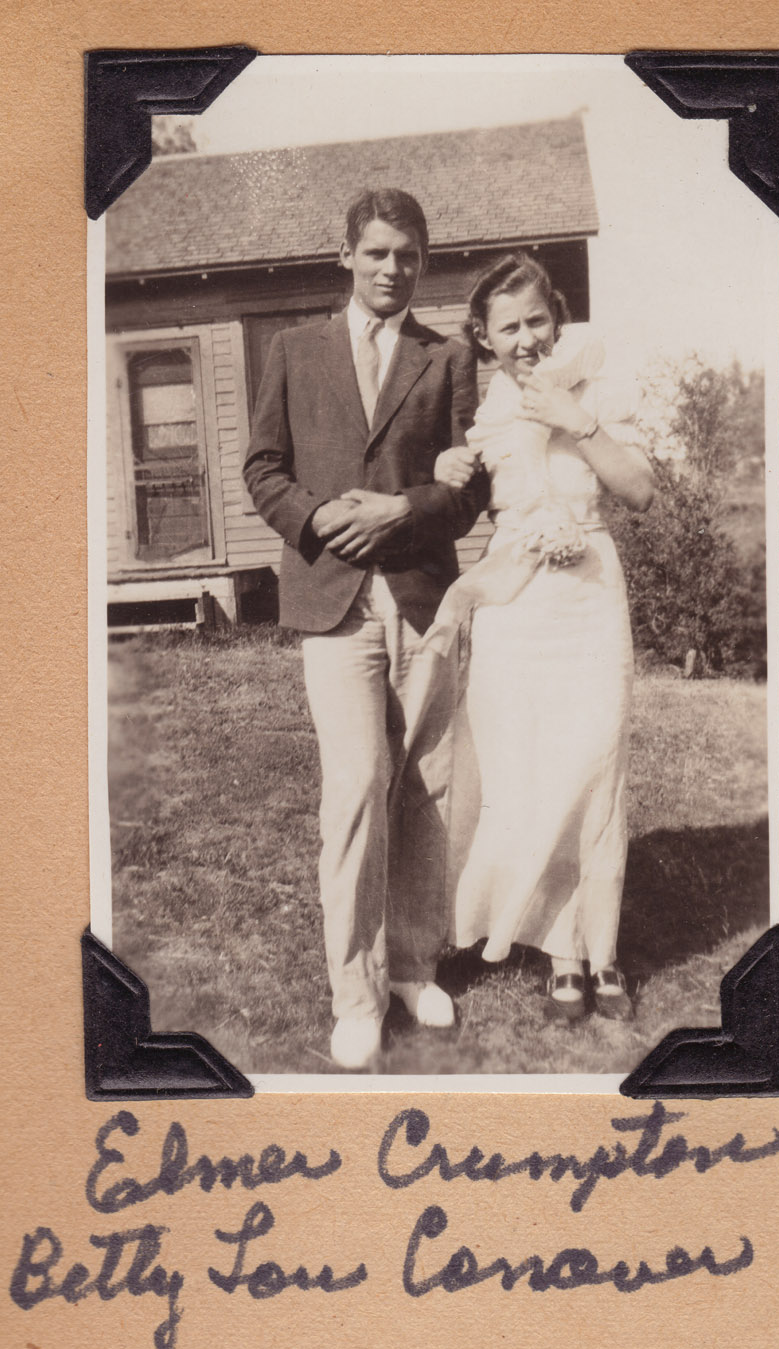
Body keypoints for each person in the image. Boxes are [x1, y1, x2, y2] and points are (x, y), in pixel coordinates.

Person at [243, 189, 488, 1069]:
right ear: (345, 254)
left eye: (407, 255)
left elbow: (470, 488)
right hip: (332, 600)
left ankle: (414, 967)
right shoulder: (292, 349)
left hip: (422, 597)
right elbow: (263, 467)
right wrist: (318, 520)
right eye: (377, 252)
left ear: (423, 262)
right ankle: (355, 993)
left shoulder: (447, 357)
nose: (392, 269)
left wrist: (403, 508)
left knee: (423, 784)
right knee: (355, 788)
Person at [433, 253, 654, 1023]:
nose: (525, 338)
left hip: (589, 598)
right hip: (514, 605)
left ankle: (603, 950)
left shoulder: (594, 387)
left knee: (593, 765)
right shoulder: (480, 411)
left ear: (556, 319)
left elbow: (639, 490)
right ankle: (562, 953)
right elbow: (456, 498)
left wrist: (575, 421)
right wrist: (447, 465)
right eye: (508, 327)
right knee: (527, 768)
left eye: (536, 320)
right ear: (483, 337)